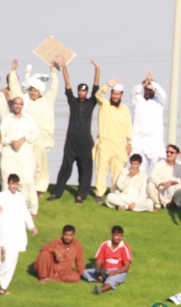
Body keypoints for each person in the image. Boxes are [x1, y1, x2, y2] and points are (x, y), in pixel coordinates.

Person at [50, 57, 99, 203]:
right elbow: (67, 84)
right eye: (80, 91)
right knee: (65, 167)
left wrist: (97, 68)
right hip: (71, 141)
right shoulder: (73, 101)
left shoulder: (91, 103)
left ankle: (80, 195)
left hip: (85, 142)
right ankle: (57, 192)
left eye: (84, 91)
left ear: (87, 92)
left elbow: (96, 85)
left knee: (85, 169)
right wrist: (64, 67)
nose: (81, 93)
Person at [8, 59, 58, 198]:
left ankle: (40, 188)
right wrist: (13, 71)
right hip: (26, 138)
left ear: (40, 91)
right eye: (32, 89)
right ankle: (23, 188)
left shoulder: (46, 101)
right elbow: (14, 89)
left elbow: (54, 88)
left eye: (36, 90)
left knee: (40, 165)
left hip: (40, 139)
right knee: (24, 164)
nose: (33, 92)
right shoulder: (24, 101)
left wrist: (53, 72)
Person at [94, 79, 132, 205]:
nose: (115, 96)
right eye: (113, 93)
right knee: (101, 170)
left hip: (120, 146)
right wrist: (107, 85)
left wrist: (129, 143)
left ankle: (114, 194)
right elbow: (98, 95)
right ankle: (100, 194)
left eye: (117, 94)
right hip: (105, 144)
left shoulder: (125, 109)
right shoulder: (104, 104)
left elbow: (128, 126)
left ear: (122, 95)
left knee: (118, 172)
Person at [0, 174, 37, 294]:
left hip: (18, 232)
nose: (14, 186)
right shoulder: (2, 195)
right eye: (12, 183)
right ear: (8, 183)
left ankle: (2, 286)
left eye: (16, 184)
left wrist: (32, 227)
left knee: (14, 260)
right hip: (5, 232)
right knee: (8, 259)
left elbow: (25, 213)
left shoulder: (20, 196)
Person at [0, 97, 39, 216]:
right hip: (9, 156)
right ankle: (4, 208)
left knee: (28, 182)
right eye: (15, 104)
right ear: (12, 105)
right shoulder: (7, 119)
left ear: (23, 105)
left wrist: (24, 139)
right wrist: (11, 141)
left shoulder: (29, 119)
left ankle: (31, 210)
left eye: (20, 104)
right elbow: (0, 137)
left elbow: (36, 134)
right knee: (7, 182)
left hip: (25, 156)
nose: (17, 106)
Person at [131, 72, 166, 172]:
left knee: (157, 171)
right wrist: (144, 84)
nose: (148, 92)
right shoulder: (138, 99)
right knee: (137, 171)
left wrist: (152, 82)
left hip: (155, 141)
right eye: (146, 89)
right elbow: (134, 92)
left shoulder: (159, 101)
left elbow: (162, 93)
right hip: (138, 141)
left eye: (151, 90)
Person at [83, 225, 132, 295]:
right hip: (105, 271)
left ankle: (100, 290)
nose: (119, 238)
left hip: (118, 271)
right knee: (85, 272)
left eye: (121, 236)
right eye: (117, 235)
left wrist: (114, 272)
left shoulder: (124, 247)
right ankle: (103, 279)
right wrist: (99, 272)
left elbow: (127, 266)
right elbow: (99, 261)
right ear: (112, 235)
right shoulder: (104, 245)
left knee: (112, 278)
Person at [147, 144, 181, 209]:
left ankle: (175, 204)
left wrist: (173, 182)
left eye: (171, 152)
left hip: (173, 188)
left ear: (177, 155)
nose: (168, 154)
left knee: (180, 187)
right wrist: (160, 183)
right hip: (162, 188)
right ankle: (157, 204)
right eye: (167, 152)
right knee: (150, 185)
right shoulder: (160, 163)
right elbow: (152, 175)